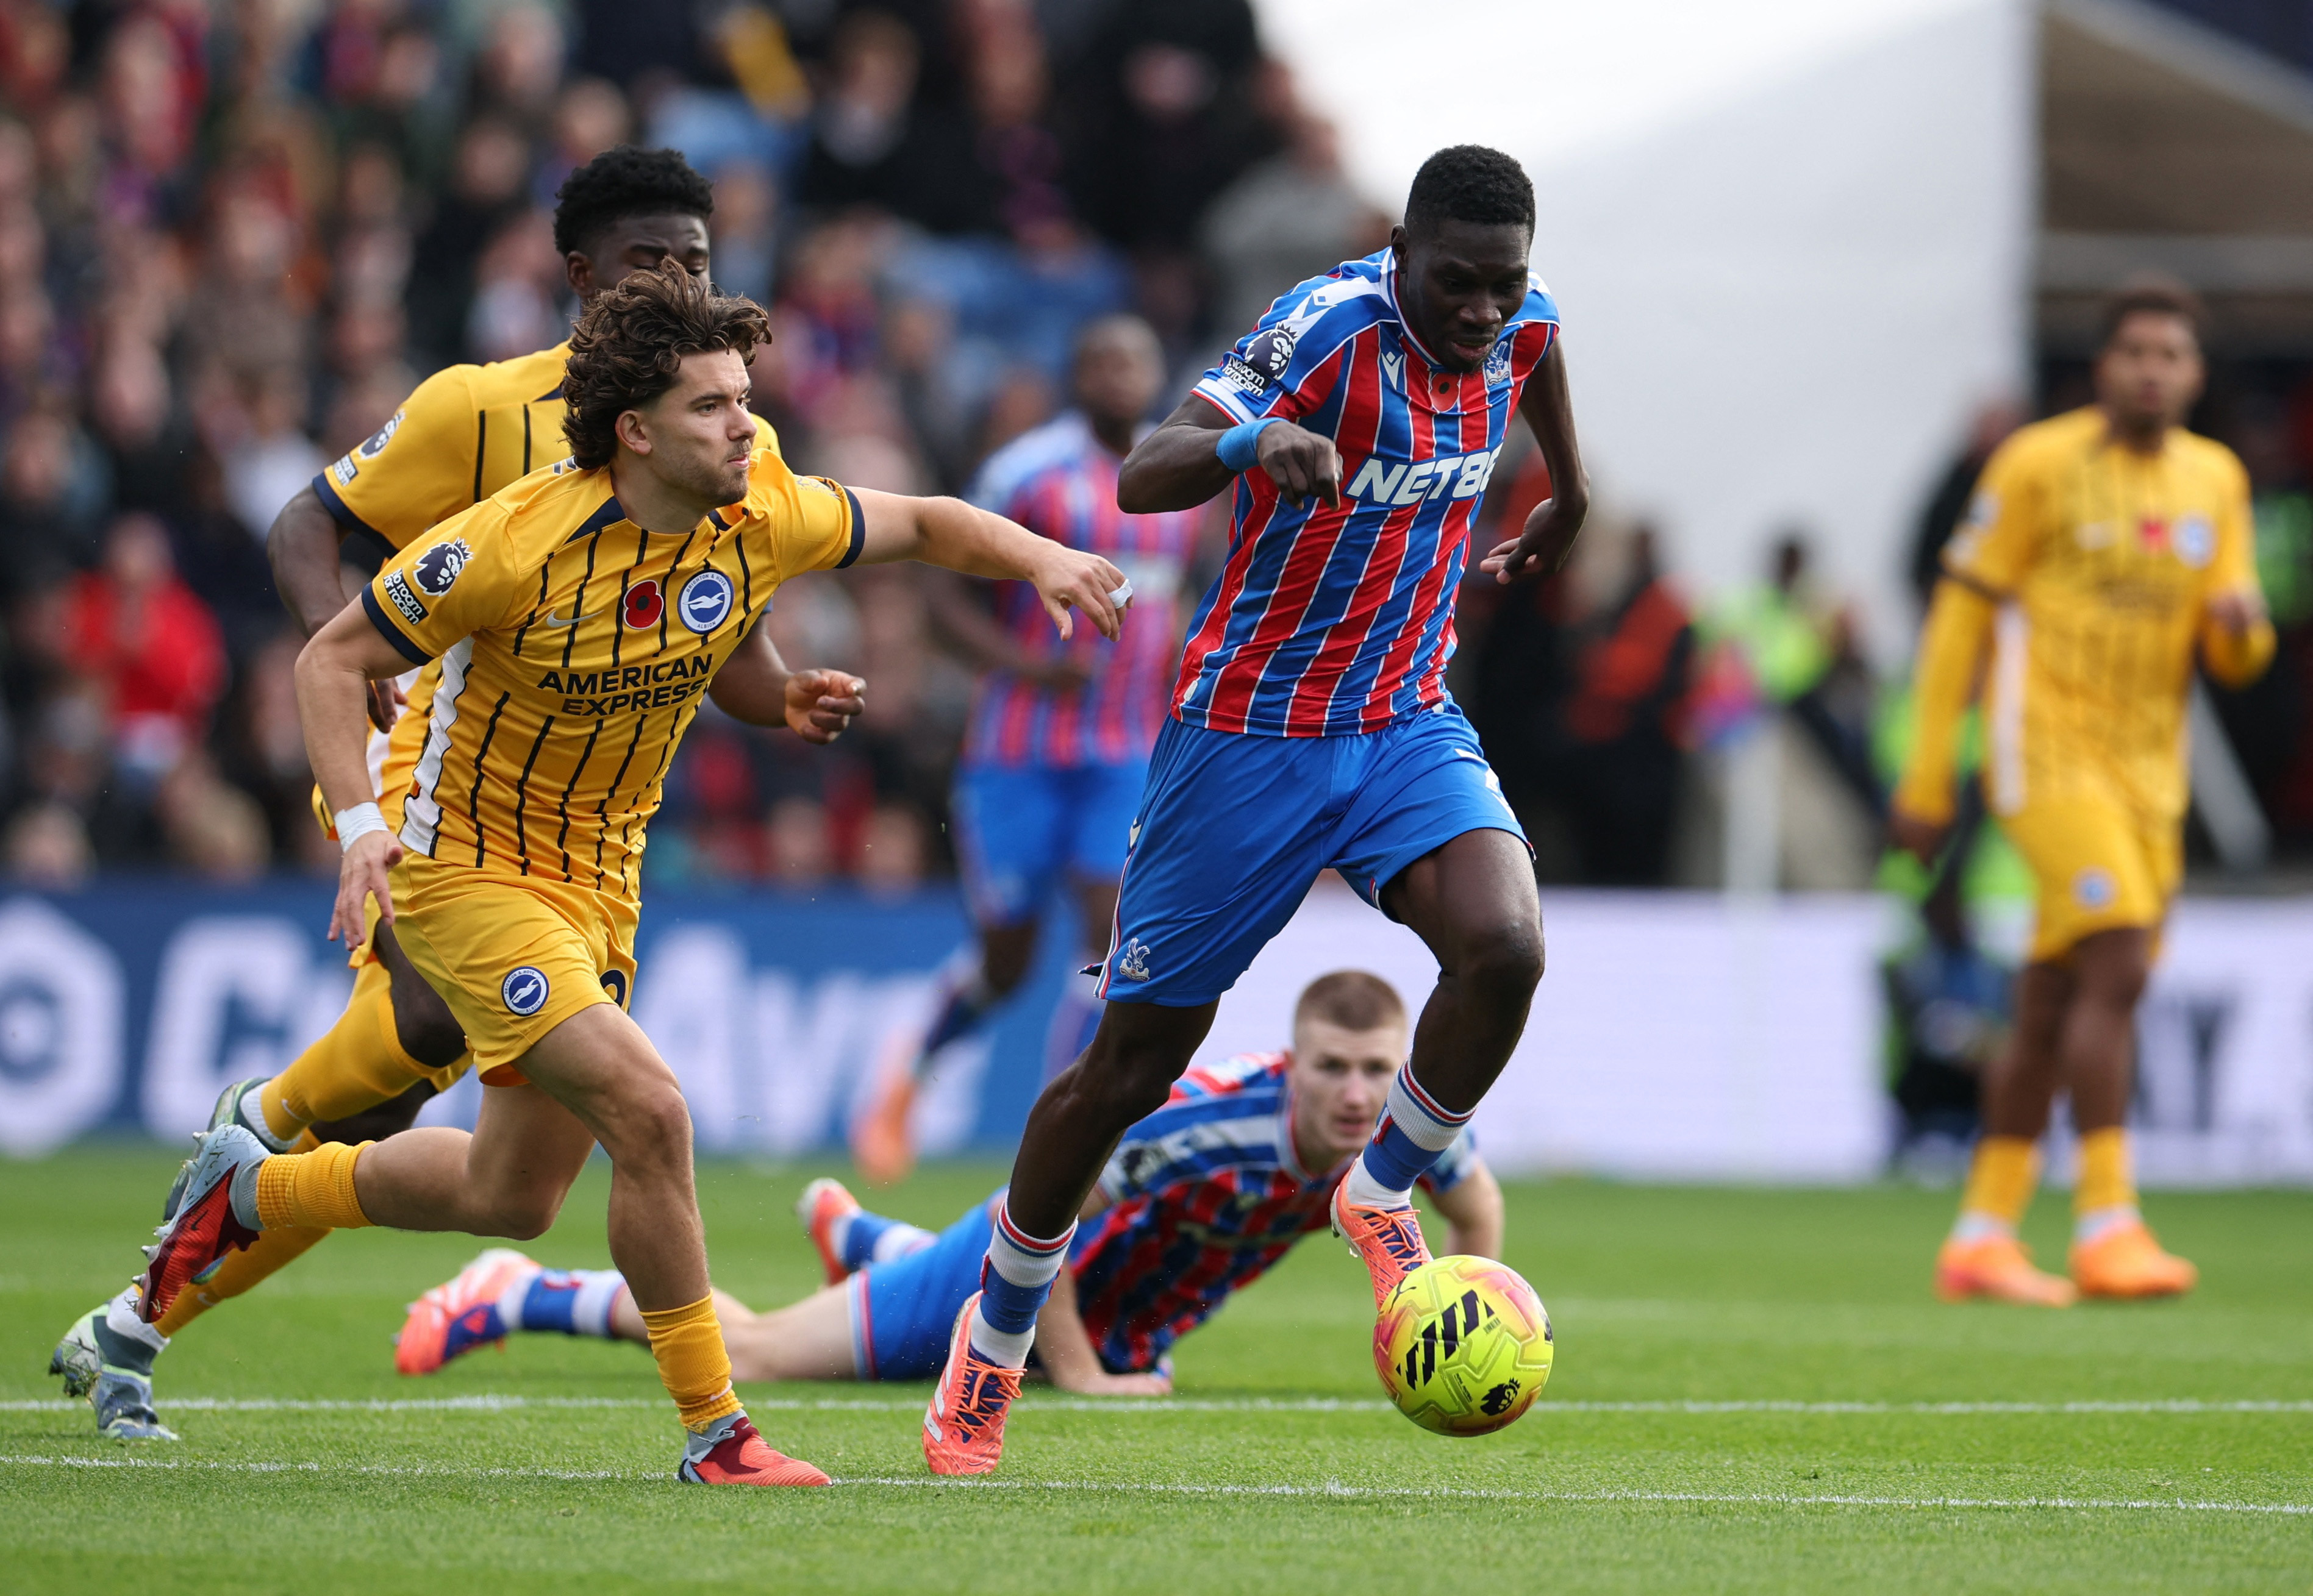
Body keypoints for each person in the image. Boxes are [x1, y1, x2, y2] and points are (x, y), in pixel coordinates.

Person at [124, 262, 1129, 1487]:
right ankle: (718, 1432)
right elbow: (328, 665)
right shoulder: (511, 540)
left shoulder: (760, 507)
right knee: (650, 1109)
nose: (745, 425)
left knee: (512, 1194)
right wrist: (359, 830)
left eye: (744, 398)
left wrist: (1040, 561)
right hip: (466, 872)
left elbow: (922, 521)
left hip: (600, 879)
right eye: (712, 406)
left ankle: (267, 1188)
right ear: (637, 430)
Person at [45, 146, 787, 1444]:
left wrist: (791, 694)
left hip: (577, 833)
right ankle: (257, 1144)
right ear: (580, 277)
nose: (677, 280)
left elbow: (727, 633)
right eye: (648, 260)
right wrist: (353, 663)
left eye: (698, 262)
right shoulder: (479, 409)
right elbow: (301, 527)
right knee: (438, 1020)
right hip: (425, 773)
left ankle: (190, 1239)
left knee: (488, 1172)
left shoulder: (717, 428)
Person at [912, 144, 1588, 1477]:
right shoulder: (1325, 326)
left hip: (1403, 716)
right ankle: (987, 1349)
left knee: (1505, 946)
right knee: (1127, 1068)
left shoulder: (1526, 317)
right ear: (1399, 249)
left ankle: (1379, 1188)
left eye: (1498, 287)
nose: (1478, 312)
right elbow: (1146, 471)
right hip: (1247, 739)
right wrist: (1251, 438)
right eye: (1454, 283)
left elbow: (1541, 361)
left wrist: (1569, 486)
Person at [398, 972, 1502, 1395]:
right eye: (1334, 1069)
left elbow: (1473, 1197)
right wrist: (1069, 1372)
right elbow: (1054, 1213)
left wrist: (1467, 1306)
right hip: (1013, 1272)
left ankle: (870, 1241)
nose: (1359, 1096)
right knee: (764, 1353)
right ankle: (520, 1288)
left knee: (1095, 1340)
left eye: (1373, 1069)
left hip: (1122, 1320)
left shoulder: (1397, 1128)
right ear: (1293, 1062)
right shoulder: (1199, 1129)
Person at [1892, 277, 2274, 1306]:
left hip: (2151, 775)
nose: (2151, 369)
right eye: (2134, 351)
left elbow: (2238, 653)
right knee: (2118, 960)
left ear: (2194, 376)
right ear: (2100, 366)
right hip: (2045, 757)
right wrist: (1928, 771)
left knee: (2057, 991)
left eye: (2172, 355)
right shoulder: (2034, 465)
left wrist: (2242, 628)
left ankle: (1981, 1232)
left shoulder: (2216, 482)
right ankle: (2108, 1218)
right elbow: (1957, 625)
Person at [850, 313, 1199, 1184]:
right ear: (1077, 377)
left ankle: (1067, 1132)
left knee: (1108, 934)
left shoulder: (1176, 487)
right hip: (1016, 753)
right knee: (1007, 957)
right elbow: (940, 595)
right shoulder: (1027, 473)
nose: (1120, 378)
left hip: (1123, 751)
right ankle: (911, 1071)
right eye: (1103, 362)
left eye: (1135, 363)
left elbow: (1179, 600)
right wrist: (1028, 667)